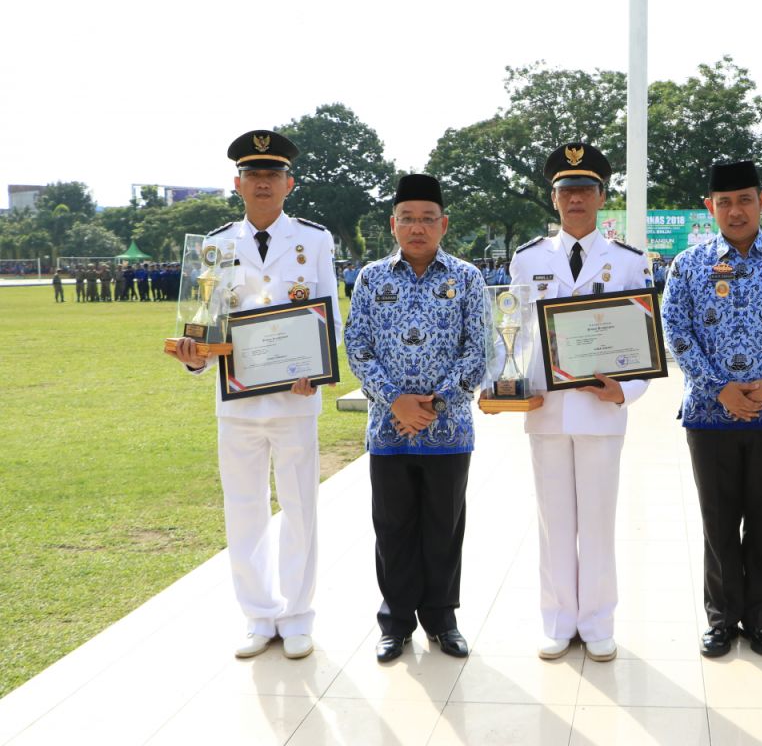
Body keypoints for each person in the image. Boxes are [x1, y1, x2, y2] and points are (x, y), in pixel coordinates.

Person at [167, 130, 342, 660]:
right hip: (237, 400)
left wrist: (318, 365)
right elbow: (203, 322)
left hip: (294, 396)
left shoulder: (314, 240)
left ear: (289, 183)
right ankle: (258, 615)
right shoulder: (216, 245)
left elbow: (329, 314)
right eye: (253, 175)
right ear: (238, 183)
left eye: (272, 175)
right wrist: (195, 358)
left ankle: (297, 615)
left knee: (299, 507)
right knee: (242, 508)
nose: (263, 183)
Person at [662, 160, 762, 658]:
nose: (735, 211)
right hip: (709, 416)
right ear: (711, 207)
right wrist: (719, 388)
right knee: (717, 520)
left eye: (745, 200)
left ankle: (759, 621)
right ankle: (720, 619)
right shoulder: (687, 265)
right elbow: (677, 331)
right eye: (724, 202)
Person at [508, 142, 651, 662]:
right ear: (553, 198)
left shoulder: (629, 261)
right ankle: (557, 619)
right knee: (553, 520)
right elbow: (515, 333)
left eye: (585, 190)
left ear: (601, 197)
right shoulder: (528, 260)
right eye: (567, 190)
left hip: (600, 408)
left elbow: (646, 340)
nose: (576, 199)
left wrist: (627, 391)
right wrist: (508, 382)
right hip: (546, 409)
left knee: (597, 521)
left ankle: (596, 621)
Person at [345, 174, 486, 663]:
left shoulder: (466, 277)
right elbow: (357, 348)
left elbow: (479, 351)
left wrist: (435, 404)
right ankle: (396, 622)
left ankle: (443, 619)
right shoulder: (371, 278)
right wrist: (395, 402)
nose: (418, 227)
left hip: (448, 432)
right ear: (393, 224)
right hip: (389, 430)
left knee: (443, 528)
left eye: (428, 218)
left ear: (444, 224)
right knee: (393, 527)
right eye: (408, 218)